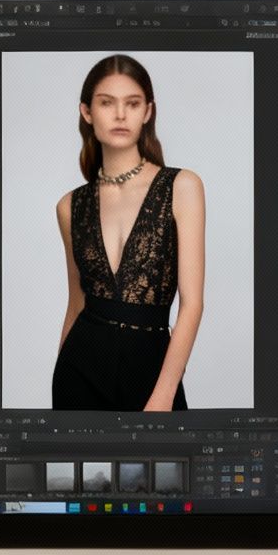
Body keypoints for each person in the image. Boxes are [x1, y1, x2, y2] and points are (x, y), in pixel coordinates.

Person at [51, 54, 205, 411]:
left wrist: (164, 394)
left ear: (147, 111)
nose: (120, 115)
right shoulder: (69, 206)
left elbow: (192, 304)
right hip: (79, 374)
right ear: (87, 112)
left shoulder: (182, 187)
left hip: (153, 372)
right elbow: (76, 305)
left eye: (132, 104)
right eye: (107, 103)